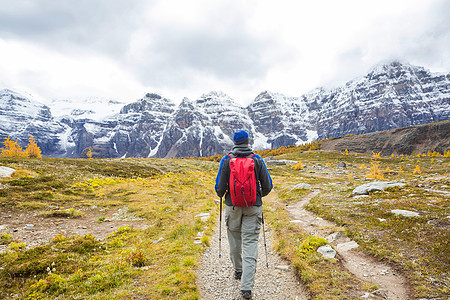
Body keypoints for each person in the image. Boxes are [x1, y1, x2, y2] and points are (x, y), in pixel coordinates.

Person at [215, 129, 273, 299]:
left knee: (234, 240)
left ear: (234, 143)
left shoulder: (226, 160)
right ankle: (246, 287)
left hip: (232, 207)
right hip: (253, 207)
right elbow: (268, 186)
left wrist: (226, 194)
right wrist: (257, 196)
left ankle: (238, 270)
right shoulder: (257, 159)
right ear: (248, 142)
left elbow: (219, 190)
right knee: (250, 243)